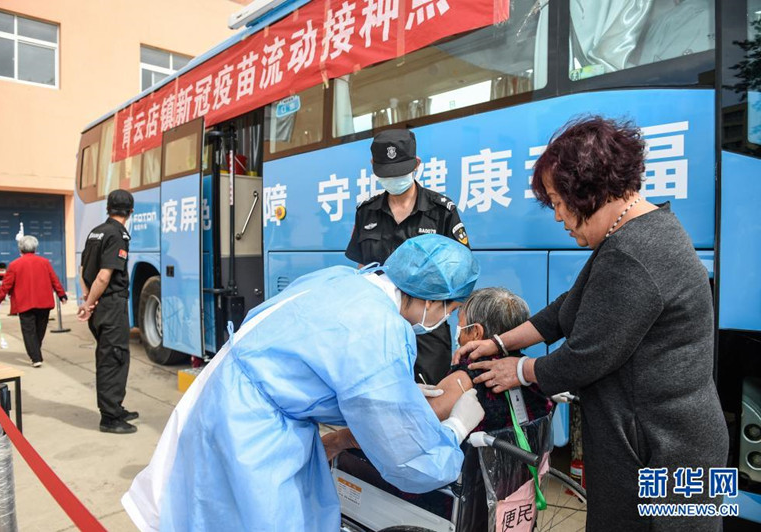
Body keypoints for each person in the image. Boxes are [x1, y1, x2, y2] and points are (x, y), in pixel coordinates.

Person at [454, 117, 729, 530]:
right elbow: (570, 308)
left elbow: (586, 356)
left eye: (557, 200)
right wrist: (498, 342)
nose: (558, 216)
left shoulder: (634, 254)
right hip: (667, 437)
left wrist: (520, 370)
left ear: (587, 188)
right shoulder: (634, 233)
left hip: (665, 452)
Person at [121, 234, 484, 531]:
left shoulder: (345, 280)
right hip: (249, 430)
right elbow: (408, 457)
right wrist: (455, 427)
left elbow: (319, 364)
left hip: (224, 398)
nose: (445, 320)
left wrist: (396, 390)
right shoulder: (380, 329)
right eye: (449, 310)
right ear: (430, 297)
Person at [323, 288, 553, 531]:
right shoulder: (531, 376)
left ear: (476, 332)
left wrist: (340, 440)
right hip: (510, 497)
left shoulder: (466, 379)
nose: (457, 330)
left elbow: (401, 432)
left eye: (460, 323)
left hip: (447, 499)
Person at [346, 128, 471, 385]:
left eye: (400, 172)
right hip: (377, 331)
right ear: (373, 166)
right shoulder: (366, 212)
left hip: (428, 333)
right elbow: (361, 270)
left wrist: (452, 325)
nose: (394, 179)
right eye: (386, 174)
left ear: (417, 165)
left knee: (430, 402)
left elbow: (461, 276)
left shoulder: (441, 211)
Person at [78, 189, 138, 434]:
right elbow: (104, 276)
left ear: (108, 208)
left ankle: (116, 406)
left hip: (101, 304)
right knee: (113, 359)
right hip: (111, 305)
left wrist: (88, 300)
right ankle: (110, 418)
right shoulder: (117, 234)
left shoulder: (96, 232)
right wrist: (90, 302)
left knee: (112, 357)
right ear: (131, 212)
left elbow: (83, 269)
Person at [0, 237, 67, 368]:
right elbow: (54, 279)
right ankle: (36, 353)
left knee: (28, 331)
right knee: (40, 330)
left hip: (24, 303)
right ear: (35, 248)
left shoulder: (14, 265)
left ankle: (35, 356)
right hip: (44, 302)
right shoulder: (44, 262)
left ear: (20, 248)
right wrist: (62, 294)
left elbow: (6, 285)